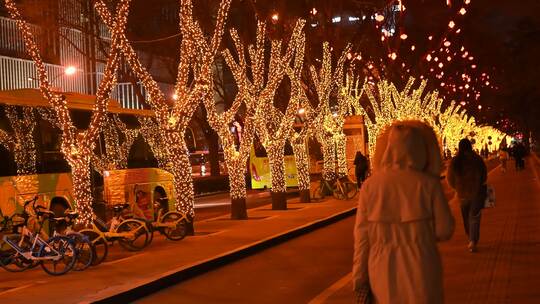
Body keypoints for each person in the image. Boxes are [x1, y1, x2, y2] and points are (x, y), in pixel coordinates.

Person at [353, 121, 455, 304]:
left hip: (382, 268)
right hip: (422, 265)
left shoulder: (370, 186)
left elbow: (362, 237)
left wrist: (359, 276)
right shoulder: (428, 185)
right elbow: (444, 229)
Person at [447, 138, 487, 253]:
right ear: (470, 147)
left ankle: (470, 237)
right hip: (477, 192)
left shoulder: (455, 161)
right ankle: (473, 241)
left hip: (462, 193)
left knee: (466, 218)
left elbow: (449, 178)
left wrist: (457, 188)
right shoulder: (477, 159)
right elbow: (484, 175)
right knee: (474, 216)